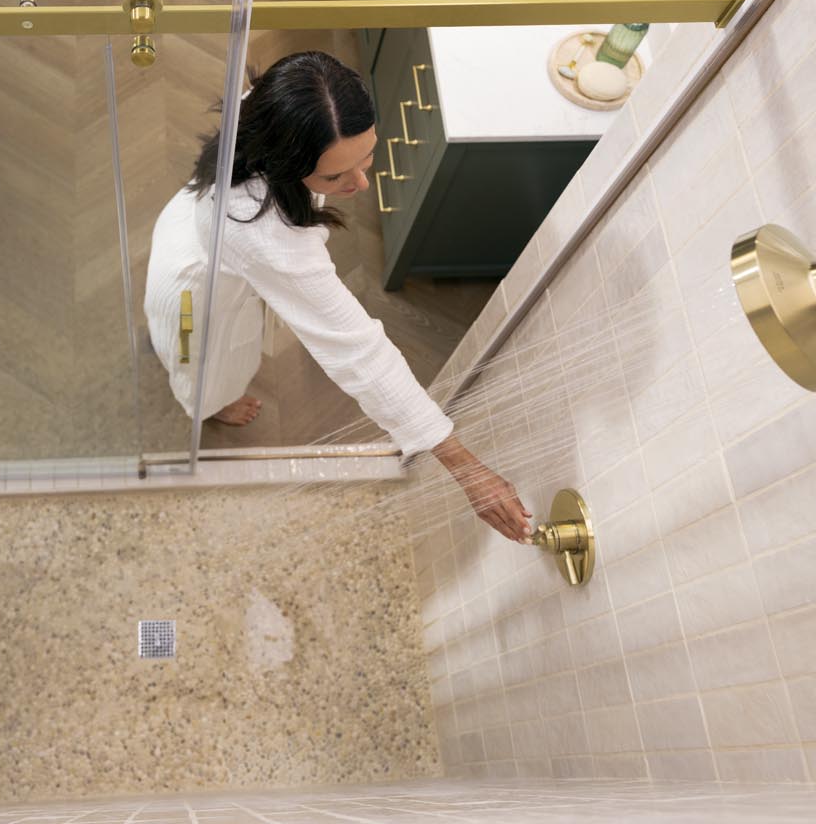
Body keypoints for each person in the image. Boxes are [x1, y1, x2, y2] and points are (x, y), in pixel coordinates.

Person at [144, 51, 531, 543]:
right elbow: (356, 349)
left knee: (214, 351)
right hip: (191, 297)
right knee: (200, 361)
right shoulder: (259, 232)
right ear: (282, 162)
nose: (361, 182)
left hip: (189, 227)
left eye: (366, 157)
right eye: (334, 177)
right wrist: (464, 466)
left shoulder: (278, 105)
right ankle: (209, 404)